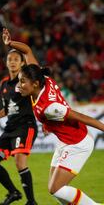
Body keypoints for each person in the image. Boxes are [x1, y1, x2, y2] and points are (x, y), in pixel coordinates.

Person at [7, 29, 104, 204]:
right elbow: (27, 51)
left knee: (55, 188)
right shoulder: (41, 78)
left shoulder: (50, 107)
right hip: (64, 141)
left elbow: (81, 117)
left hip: (77, 143)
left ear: (35, 84)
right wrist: (10, 43)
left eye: (22, 82)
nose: (18, 86)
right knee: (56, 191)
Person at [0, 29, 38, 205]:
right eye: (10, 59)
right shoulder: (4, 84)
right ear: (6, 63)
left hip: (25, 126)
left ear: (22, 63)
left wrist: (46, 121)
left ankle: (31, 202)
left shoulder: (27, 80)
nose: (13, 62)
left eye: (16, 59)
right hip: (10, 128)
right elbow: (8, 108)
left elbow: (37, 99)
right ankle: (13, 192)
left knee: (19, 161)